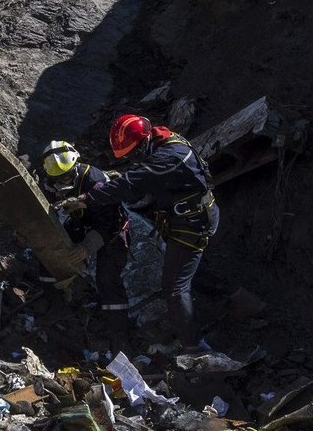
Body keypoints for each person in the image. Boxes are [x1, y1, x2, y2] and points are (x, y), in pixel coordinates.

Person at [58, 115, 218, 351]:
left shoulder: (166, 158)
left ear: (142, 142)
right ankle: (242, 302)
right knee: (189, 270)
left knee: (174, 288)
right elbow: (142, 180)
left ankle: (194, 348)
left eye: (133, 152)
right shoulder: (167, 140)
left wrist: (85, 200)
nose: (134, 157)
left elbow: (131, 184)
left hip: (192, 223)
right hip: (193, 215)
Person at [40, 141, 130, 350]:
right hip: (80, 221)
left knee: (107, 278)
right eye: (58, 178)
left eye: (67, 176)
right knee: (49, 251)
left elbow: (107, 223)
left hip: (111, 228)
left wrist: (86, 248)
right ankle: (54, 304)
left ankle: (118, 331)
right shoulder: (48, 181)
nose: (63, 181)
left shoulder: (96, 181)